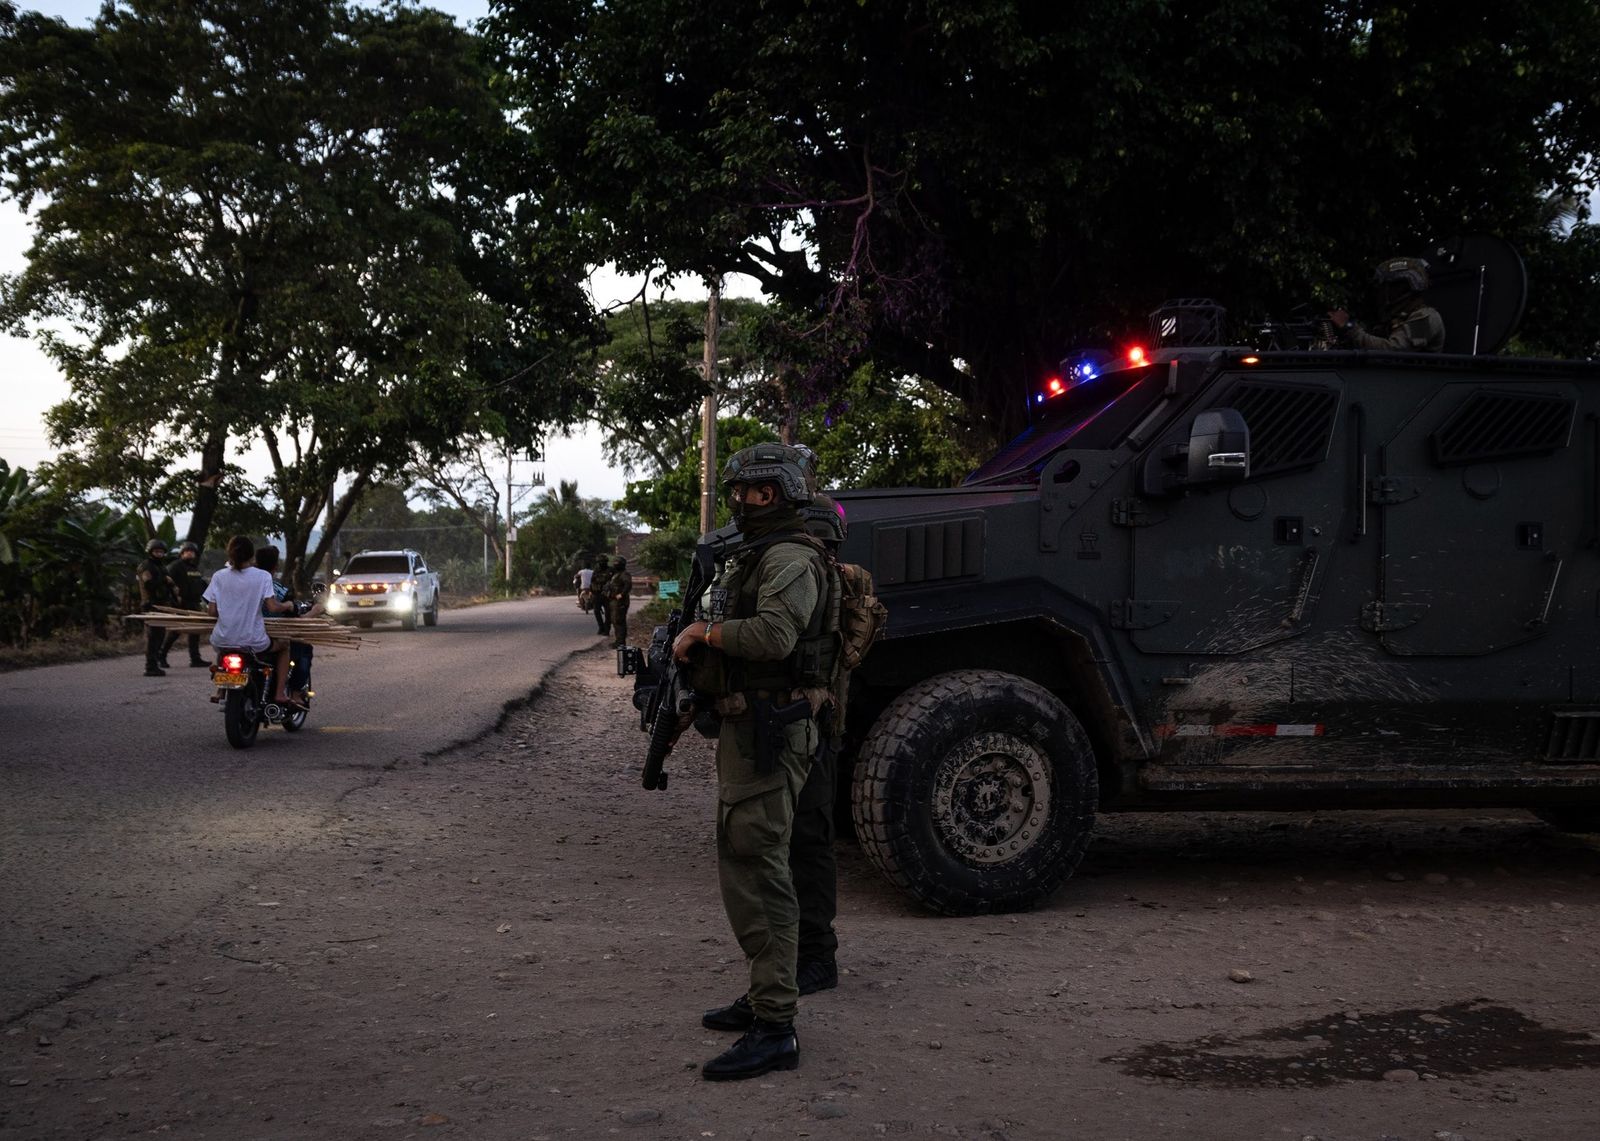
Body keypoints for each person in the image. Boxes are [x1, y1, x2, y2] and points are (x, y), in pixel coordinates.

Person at [671, 442, 830, 1081]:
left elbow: (772, 637)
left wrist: (701, 635)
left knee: (760, 870)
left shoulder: (790, 557)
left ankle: (776, 1028)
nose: (742, 500)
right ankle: (766, 994)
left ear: (783, 493)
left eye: (756, 492)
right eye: (738, 490)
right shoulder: (759, 553)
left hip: (770, 731)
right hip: (749, 728)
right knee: (746, 860)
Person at [202, 536, 302, 709]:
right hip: (254, 641)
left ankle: (220, 691)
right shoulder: (262, 576)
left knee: (225, 649)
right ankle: (279, 693)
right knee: (285, 645)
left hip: (221, 638)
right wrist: (287, 605)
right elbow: (272, 606)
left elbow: (211, 611)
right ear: (252, 557)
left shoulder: (218, 576)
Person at [1329, 256, 1445, 352]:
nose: (1381, 293)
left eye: (1387, 287)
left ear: (1403, 287)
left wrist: (1350, 328)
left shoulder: (1427, 318)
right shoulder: (1399, 317)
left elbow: (1394, 351)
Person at [254, 545, 314, 697]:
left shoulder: (236, 581)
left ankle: (221, 691)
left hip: (232, 637)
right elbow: (278, 609)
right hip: (263, 637)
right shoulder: (277, 588)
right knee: (298, 646)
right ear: (276, 566)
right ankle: (288, 693)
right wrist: (313, 611)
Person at [161, 541, 210, 669]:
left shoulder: (194, 568)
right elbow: (167, 584)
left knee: (195, 631)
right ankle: (161, 656)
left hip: (194, 604)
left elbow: (201, 586)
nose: (190, 553)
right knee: (176, 631)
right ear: (182, 553)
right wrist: (174, 600)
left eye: (192, 551)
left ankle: (195, 659)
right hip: (180, 604)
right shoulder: (175, 566)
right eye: (187, 551)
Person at [137, 538, 180, 676]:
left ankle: (154, 663)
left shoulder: (162, 567)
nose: (159, 554)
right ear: (150, 552)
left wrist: (173, 591)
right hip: (150, 605)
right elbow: (148, 583)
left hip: (162, 605)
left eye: (161, 552)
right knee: (153, 636)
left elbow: (170, 584)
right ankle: (150, 666)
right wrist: (164, 580)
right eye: (156, 551)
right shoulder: (145, 566)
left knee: (160, 635)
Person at [605, 557, 633, 648]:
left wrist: (622, 594)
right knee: (615, 621)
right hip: (614, 601)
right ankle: (619, 641)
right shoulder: (616, 574)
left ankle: (620, 642)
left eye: (617, 563)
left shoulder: (624, 574)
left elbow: (628, 584)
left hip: (620, 602)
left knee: (619, 621)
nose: (615, 564)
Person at [592, 556, 611, 637]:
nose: (602, 563)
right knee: (596, 611)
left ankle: (606, 629)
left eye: (603, 561)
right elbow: (592, 582)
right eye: (600, 562)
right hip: (597, 594)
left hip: (607, 595)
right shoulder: (596, 571)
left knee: (608, 613)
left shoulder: (611, 570)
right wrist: (592, 592)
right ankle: (601, 627)